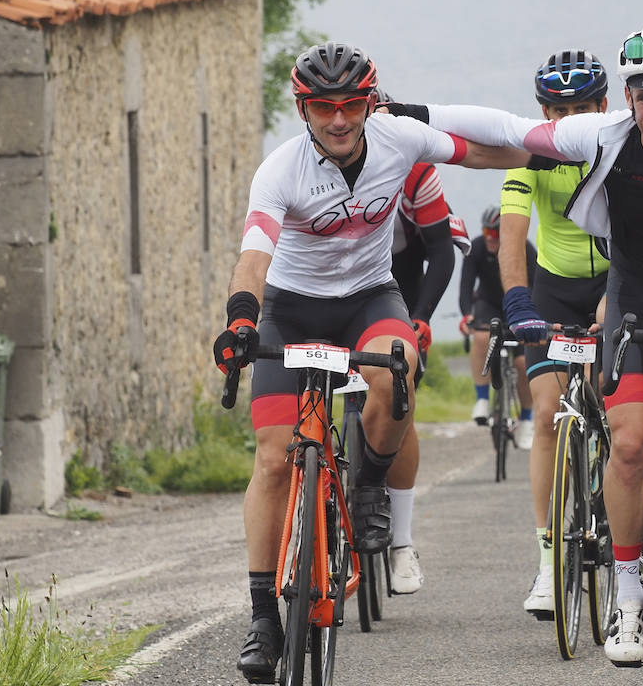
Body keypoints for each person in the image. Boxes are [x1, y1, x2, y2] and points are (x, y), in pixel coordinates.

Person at [388, 25, 643, 667]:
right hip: (636, 287)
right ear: (628, 99)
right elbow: (506, 130)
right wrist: (412, 114)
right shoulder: (605, 135)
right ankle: (630, 599)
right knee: (630, 443)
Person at [211, 41, 527, 683]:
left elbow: (490, 149)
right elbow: (254, 254)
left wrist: (549, 151)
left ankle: (369, 485)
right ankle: (262, 617)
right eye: (323, 107)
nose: (338, 120)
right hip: (290, 308)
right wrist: (242, 318)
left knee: (395, 367)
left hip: (368, 299)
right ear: (304, 109)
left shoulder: (399, 139)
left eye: (350, 105)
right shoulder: (281, 170)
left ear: (368, 102)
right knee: (273, 457)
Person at [498, 49, 611, 619]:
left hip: (620, 279)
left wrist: (615, 300)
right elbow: (514, 235)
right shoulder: (530, 156)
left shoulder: (618, 151)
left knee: (625, 407)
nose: (569, 121)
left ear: (605, 108)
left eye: (583, 108)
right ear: (543, 112)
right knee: (546, 414)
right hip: (554, 286)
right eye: (558, 111)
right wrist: (517, 301)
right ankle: (548, 562)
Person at [382, 157, 471, 595]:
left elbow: (440, 251)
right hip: (332, 279)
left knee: (401, 402)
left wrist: (422, 318)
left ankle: (401, 541)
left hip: (401, 278)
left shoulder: (413, 170)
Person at [458, 206, 535, 430]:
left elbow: (538, 287)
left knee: (522, 363)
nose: (490, 238)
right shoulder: (478, 247)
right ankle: (482, 398)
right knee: (481, 337)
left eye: (495, 234)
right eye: (486, 232)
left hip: (518, 306)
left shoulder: (525, 249)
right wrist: (466, 316)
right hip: (488, 303)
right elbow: (465, 287)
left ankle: (527, 419)